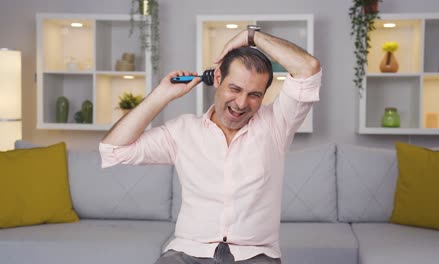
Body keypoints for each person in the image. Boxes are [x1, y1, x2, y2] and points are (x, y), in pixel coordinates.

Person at [99, 27, 321, 264]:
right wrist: (161, 95)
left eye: (254, 94)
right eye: (234, 89)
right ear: (217, 78)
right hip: (187, 252)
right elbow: (114, 149)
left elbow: (308, 68)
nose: (241, 103)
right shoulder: (183, 131)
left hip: (255, 254)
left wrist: (252, 36)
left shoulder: (277, 124)